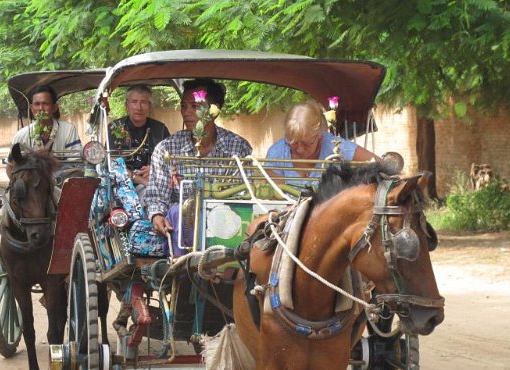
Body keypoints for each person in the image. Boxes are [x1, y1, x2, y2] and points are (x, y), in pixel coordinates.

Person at [145, 78, 252, 253]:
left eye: (195, 106)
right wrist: (157, 215)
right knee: (180, 212)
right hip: (181, 228)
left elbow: (244, 194)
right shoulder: (166, 148)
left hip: (225, 224)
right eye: (184, 106)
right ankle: (182, 272)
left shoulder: (238, 147)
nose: (186, 113)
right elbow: (157, 196)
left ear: (213, 111)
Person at [265, 100, 376, 190]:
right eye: (293, 143)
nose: (300, 149)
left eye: (306, 143)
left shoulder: (335, 145)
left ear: (319, 134)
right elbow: (274, 197)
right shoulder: (277, 152)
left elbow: (377, 164)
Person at [108, 85, 171, 197]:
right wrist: (140, 179)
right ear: (126, 105)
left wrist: (154, 169)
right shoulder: (115, 128)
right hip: (121, 185)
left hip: (152, 184)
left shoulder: (160, 129)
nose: (139, 107)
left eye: (143, 102)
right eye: (134, 102)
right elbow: (112, 164)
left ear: (149, 106)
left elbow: (170, 161)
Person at [11, 84, 82, 159]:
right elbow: (12, 164)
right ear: (31, 108)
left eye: (45, 104)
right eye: (37, 104)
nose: (41, 108)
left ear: (54, 107)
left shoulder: (68, 130)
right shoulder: (21, 136)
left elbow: (76, 162)